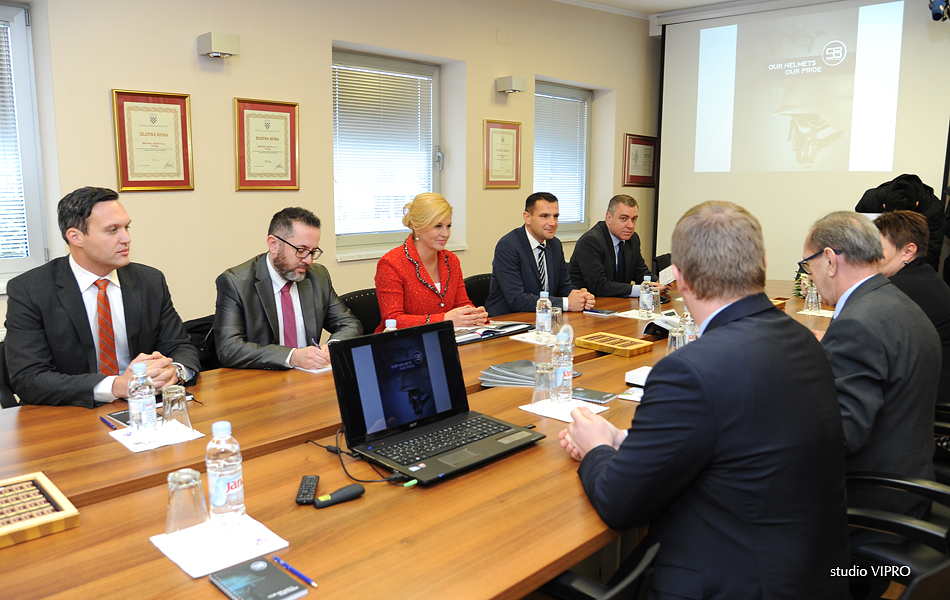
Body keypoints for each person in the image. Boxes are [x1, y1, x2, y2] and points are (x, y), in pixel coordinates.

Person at [560, 201, 849, 600]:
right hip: (811, 572)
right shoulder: (802, 339)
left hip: (736, 582)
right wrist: (624, 440)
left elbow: (619, 504)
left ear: (679, 278)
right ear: (763, 264)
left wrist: (596, 447)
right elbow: (733, 438)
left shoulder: (689, 370)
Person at [4, 187, 199, 408]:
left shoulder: (149, 281)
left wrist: (175, 372)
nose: (126, 238)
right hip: (71, 411)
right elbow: (28, 378)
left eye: (126, 227)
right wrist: (115, 386)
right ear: (75, 237)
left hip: (144, 407)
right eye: (112, 230)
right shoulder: (30, 290)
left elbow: (181, 346)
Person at [803, 212, 939, 525]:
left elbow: (843, 436)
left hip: (872, 502)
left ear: (830, 260)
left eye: (808, 264)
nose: (809, 276)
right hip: (909, 484)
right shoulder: (895, 301)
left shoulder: (857, 323)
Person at [214, 207, 361, 370]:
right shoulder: (236, 282)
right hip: (262, 377)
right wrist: (292, 357)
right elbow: (228, 348)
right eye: (301, 250)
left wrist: (333, 346)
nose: (308, 260)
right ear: (274, 244)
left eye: (313, 252)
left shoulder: (318, 276)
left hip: (309, 376)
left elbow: (349, 323)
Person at [374, 193, 487, 332]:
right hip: (405, 342)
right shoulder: (391, 263)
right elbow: (393, 320)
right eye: (438, 226)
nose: (445, 233)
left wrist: (474, 315)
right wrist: (443, 320)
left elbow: (462, 303)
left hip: (449, 337)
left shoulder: (451, 260)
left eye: (448, 226)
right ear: (417, 227)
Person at [874, 210, 950, 404]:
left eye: (878, 248)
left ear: (908, 251)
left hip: (931, 395)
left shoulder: (901, 287)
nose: (871, 255)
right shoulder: (922, 275)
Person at [484, 192, 595, 316]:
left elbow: (564, 286)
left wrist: (580, 297)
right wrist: (567, 303)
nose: (552, 223)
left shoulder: (555, 244)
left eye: (555, 216)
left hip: (544, 317)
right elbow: (517, 300)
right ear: (527, 217)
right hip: (508, 319)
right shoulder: (508, 246)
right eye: (544, 216)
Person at [568, 194, 657, 297]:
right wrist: (642, 289)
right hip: (590, 302)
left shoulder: (633, 239)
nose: (630, 225)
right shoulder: (591, 241)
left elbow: (640, 272)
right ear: (609, 218)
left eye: (633, 219)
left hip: (617, 301)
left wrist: (658, 283)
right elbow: (599, 286)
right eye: (623, 218)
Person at [855, 173, 944, 271]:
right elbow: (861, 235)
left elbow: (932, 249)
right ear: (884, 206)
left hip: (913, 264)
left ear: (916, 205)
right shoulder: (871, 200)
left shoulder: (932, 210)